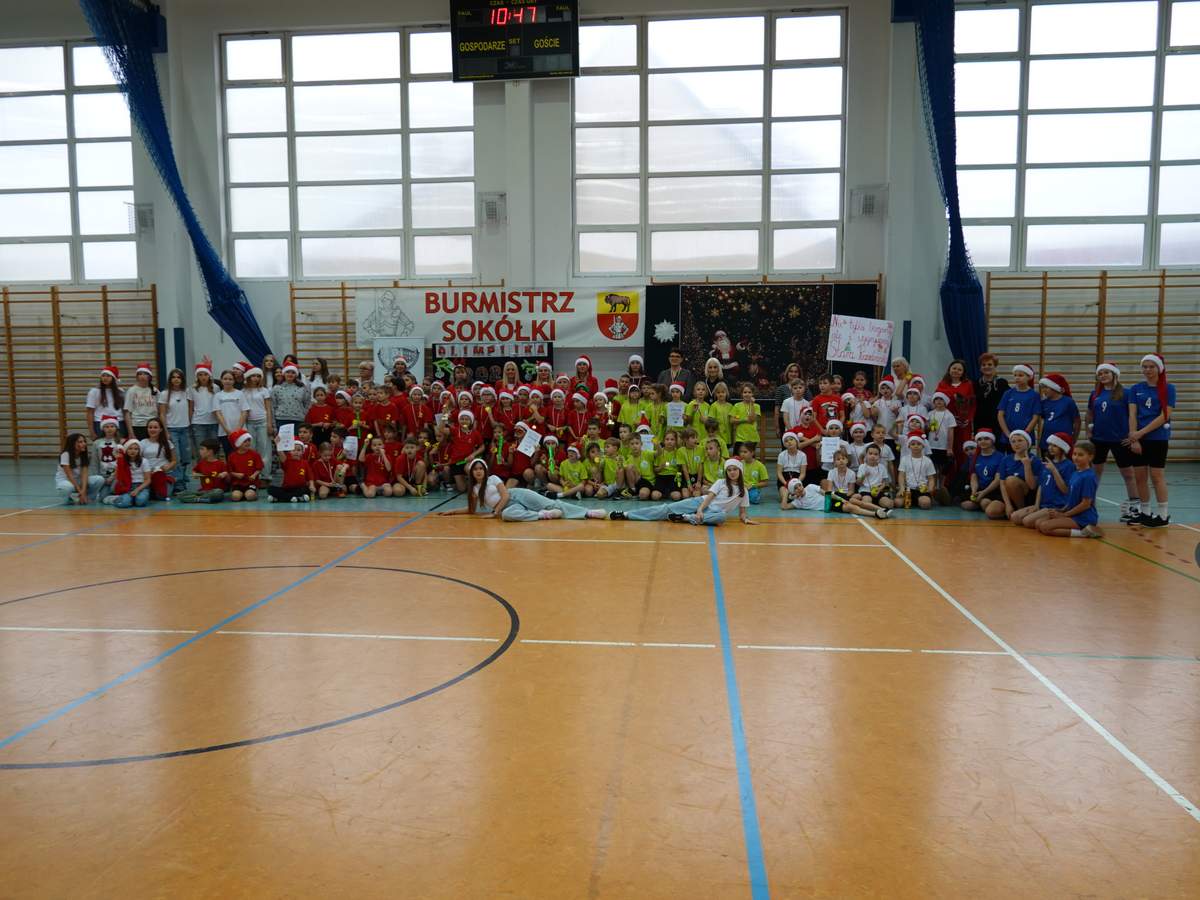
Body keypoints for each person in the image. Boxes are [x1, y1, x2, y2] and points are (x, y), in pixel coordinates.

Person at [441, 459, 609, 521]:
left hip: (517, 496)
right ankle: (542, 515)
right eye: (475, 469)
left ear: (485, 470)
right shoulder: (475, 489)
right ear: (471, 473)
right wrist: (452, 512)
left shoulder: (493, 479)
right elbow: (471, 509)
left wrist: (494, 513)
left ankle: (588, 513)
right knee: (507, 516)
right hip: (508, 508)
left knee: (553, 503)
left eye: (481, 468)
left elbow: (505, 496)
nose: (478, 471)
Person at [612, 458, 756, 526]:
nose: (732, 472)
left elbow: (742, 512)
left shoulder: (743, 491)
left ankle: (685, 518)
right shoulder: (721, 482)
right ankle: (626, 514)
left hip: (713, 513)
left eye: (735, 469)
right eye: (729, 470)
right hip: (700, 504)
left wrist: (745, 519)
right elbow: (709, 497)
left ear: (740, 471)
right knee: (665, 509)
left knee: (722, 517)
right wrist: (700, 509)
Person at [1125, 352, 1175, 528]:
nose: (1147, 370)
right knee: (1140, 477)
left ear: (1159, 368)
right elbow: (1132, 414)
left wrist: (1140, 433)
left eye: (1151, 367)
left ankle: (1163, 516)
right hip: (1138, 438)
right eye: (1144, 367)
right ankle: (1145, 513)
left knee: (1156, 476)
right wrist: (1134, 438)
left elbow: (1165, 415)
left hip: (1157, 438)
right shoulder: (1135, 388)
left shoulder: (1168, 388)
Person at [1086, 362, 1140, 523]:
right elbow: (1089, 413)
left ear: (1114, 374)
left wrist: (1133, 436)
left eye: (1106, 372)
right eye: (1100, 373)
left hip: (1120, 440)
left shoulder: (1127, 393)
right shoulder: (1095, 394)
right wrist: (1088, 430)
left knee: (1128, 474)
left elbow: (1133, 415)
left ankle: (1135, 509)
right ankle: (1089, 505)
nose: (1102, 376)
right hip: (1099, 439)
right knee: (1094, 473)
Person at [1037, 440, 1103, 538]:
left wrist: (1065, 515)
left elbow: (1085, 504)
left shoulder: (1088, 477)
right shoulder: (1075, 473)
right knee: (1039, 523)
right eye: (1074, 454)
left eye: (1080, 455)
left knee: (1045, 527)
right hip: (1072, 514)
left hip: (1083, 517)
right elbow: (1071, 497)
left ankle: (1084, 533)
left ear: (1090, 457)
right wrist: (1061, 510)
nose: (1076, 457)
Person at [1012, 432, 1074, 529]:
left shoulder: (1068, 465)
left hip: (1056, 506)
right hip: (1043, 505)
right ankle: (1043, 517)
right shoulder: (1046, 464)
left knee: (1027, 521)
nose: (1050, 448)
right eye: (1050, 445)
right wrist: (1036, 505)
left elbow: (1065, 490)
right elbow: (1041, 486)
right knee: (1015, 517)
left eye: (1054, 446)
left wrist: (1054, 471)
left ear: (1062, 447)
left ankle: (1061, 518)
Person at [824, 448, 889, 518]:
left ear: (847, 460)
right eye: (838, 459)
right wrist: (840, 497)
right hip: (836, 496)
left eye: (843, 458)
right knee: (856, 503)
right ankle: (879, 511)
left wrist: (845, 496)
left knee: (858, 500)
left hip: (847, 495)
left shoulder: (851, 473)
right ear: (834, 462)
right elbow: (829, 490)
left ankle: (882, 509)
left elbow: (851, 491)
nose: (841, 461)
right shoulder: (831, 472)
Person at [937, 359, 976, 470]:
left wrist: (968, 418)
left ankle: (963, 475)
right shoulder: (942, 384)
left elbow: (972, 404)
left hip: (963, 424)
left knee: (962, 449)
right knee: (948, 448)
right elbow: (937, 401)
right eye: (954, 368)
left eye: (959, 370)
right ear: (949, 369)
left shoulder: (968, 384)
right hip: (946, 423)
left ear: (963, 372)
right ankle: (948, 478)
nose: (956, 371)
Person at [997, 364, 1041, 451]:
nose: (1017, 378)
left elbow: (1035, 417)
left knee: (1024, 457)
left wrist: (1025, 433)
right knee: (1010, 458)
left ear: (1029, 377)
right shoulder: (1008, 393)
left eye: (1020, 375)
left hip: (1025, 436)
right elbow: (1000, 415)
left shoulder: (1034, 395)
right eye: (1015, 375)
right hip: (1008, 436)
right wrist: (1007, 433)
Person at [961, 429, 1005, 513]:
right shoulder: (975, 457)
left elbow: (997, 480)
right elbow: (974, 478)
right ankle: (980, 502)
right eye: (980, 439)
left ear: (992, 441)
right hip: (980, 489)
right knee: (966, 505)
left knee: (985, 503)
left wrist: (983, 493)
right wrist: (974, 491)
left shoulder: (1001, 457)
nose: (983, 441)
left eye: (986, 439)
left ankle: (985, 503)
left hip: (993, 490)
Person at [1037, 373, 1080, 452]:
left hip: (1063, 442)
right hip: (1046, 441)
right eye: (1042, 388)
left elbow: (1077, 421)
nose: (1043, 390)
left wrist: (1074, 438)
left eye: (1046, 387)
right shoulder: (1043, 403)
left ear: (1055, 388)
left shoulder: (1068, 402)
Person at [56, 433, 103, 504]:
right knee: (67, 487)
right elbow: (69, 476)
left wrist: (83, 492)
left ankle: (89, 497)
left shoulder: (83, 455)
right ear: (72, 444)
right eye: (80, 442)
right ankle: (69, 498)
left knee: (99, 479)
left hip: (78, 480)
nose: (84, 444)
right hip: (66, 480)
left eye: (84, 441)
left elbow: (84, 475)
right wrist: (80, 491)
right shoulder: (65, 454)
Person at [177, 438, 226, 503]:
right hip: (203, 491)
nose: (200, 451)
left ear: (210, 452)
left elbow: (226, 474)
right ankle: (202, 499)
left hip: (214, 491)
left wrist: (224, 474)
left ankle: (196, 499)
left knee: (218, 493)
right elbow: (194, 471)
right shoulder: (201, 463)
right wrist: (195, 474)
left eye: (202, 449)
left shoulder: (221, 464)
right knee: (181, 494)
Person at [898, 433, 936, 510]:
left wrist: (930, 489)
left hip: (922, 490)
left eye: (919, 444)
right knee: (897, 503)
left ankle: (921, 500)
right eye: (913, 444)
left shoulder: (928, 461)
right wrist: (901, 488)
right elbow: (901, 475)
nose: (916, 446)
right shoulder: (904, 459)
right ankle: (915, 501)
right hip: (908, 489)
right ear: (909, 446)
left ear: (923, 446)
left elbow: (931, 478)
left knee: (926, 504)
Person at [123, 363, 159, 440]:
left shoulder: (155, 391)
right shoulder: (132, 391)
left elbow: (160, 411)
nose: (142, 376)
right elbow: (127, 413)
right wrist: (130, 432)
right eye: (140, 374)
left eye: (145, 374)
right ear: (137, 377)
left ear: (149, 376)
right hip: (137, 425)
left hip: (152, 426)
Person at [86, 366, 124, 438]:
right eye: (103, 376)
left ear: (113, 378)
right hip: (100, 423)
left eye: (108, 376)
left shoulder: (120, 391)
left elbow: (124, 411)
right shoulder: (94, 392)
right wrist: (92, 432)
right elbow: (90, 412)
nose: (105, 378)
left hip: (119, 423)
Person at [226, 429, 264, 502]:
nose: (248, 443)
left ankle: (251, 493)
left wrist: (254, 475)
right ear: (238, 443)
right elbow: (229, 471)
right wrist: (236, 474)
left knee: (250, 496)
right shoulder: (232, 456)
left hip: (251, 483)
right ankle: (242, 494)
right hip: (237, 483)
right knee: (235, 497)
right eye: (245, 441)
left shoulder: (255, 454)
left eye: (249, 440)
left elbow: (259, 468)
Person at [730, 383, 762, 456]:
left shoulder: (756, 406)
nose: (747, 394)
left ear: (753, 394)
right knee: (737, 458)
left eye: (749, 392)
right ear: (741, 394)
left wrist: (752, 404)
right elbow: (731, 420)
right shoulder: (737, 406)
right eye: (745, 392)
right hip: (740, 438)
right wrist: (744, 420)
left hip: (752, 438)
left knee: (750, 459)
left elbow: (752, 419)